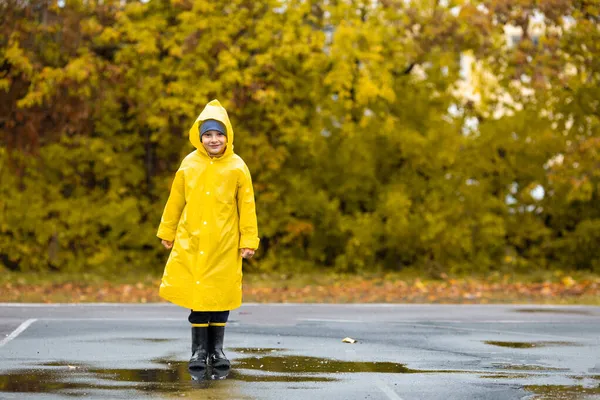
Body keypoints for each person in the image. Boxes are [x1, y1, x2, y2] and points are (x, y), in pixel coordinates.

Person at [156, 99, 259, 372]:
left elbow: (246, 206)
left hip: (225, 244)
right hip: (194, 241)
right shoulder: (189, 164)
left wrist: (248, 240)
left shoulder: (237, 166)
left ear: (228, 136)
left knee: (221, 296)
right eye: (208, 134)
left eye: (219, 134)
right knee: (199, 296)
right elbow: (175, 200)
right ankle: (199, 352)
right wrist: (168, 230)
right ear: (199, 137)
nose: (214, 140)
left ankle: (217, 350)